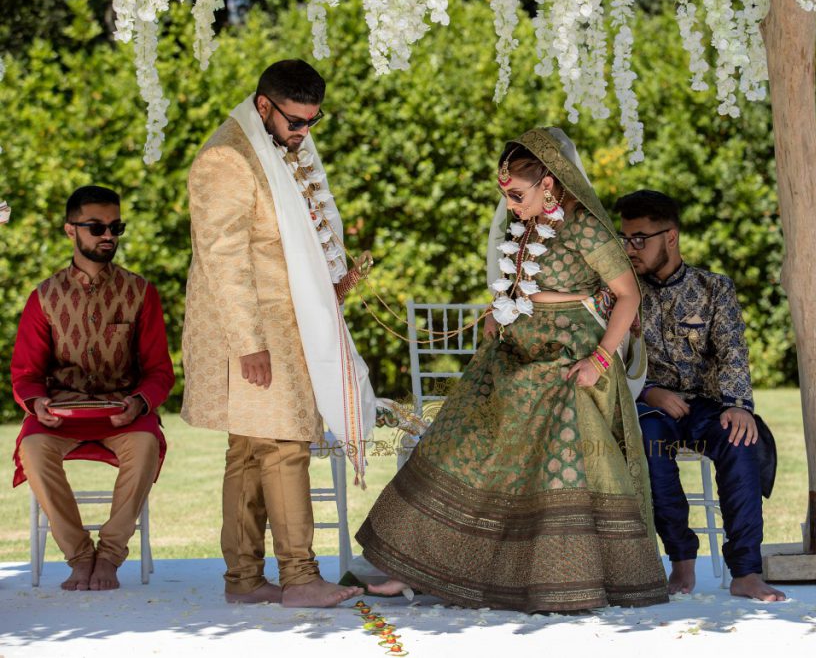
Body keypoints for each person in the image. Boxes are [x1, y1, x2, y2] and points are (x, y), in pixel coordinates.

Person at [357, 128, 668, 613]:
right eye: (505, 196)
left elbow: (629, 296)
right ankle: (417, 567)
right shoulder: (519, 226)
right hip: (513, 349)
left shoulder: (586, 228)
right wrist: (498, 312)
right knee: (454, 440)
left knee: (553, 417)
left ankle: (563, 577)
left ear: (549, 184)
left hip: (570, 357)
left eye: (517, 195)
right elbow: (515, 282)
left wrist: (599, 360)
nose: (511, 206)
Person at [182, 59, 374, 608]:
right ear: (263, 105)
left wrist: (330, 279)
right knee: (287, 443)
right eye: (294, 121)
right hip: (249, 330)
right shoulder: (227, 157)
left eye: (312, 121)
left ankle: (243, 579)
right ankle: (298, 577)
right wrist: (249, 344)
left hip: (285, 325)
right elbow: (224, 257)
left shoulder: (282, 144)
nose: (303, 133)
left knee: (248, 450)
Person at [614, 189, 785, 601]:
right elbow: (613, 356)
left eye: (640, 239)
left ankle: (746, 571)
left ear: (670, 237)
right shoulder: (621, 293)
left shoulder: (714, 288)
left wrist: (739, 406)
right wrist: (651, 393)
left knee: (741, 440)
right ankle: (681, 558)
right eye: (625, 239)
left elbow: (732, 350)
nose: (630, 249)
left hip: (708, 405)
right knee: (648, 443)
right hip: (646, 405)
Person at [10, 185, 173, 591]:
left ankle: (111, 556)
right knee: (31, 449)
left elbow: (159, 371)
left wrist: (139, 402)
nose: (108, 236)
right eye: (97, 227)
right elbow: (26, 372)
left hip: (124, 413)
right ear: (71, 231)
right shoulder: (44, 298)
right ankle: (80, 556)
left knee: (146, 446)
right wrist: (37, 402)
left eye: (116, 227)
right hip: (60, 415)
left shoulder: (140, 293)